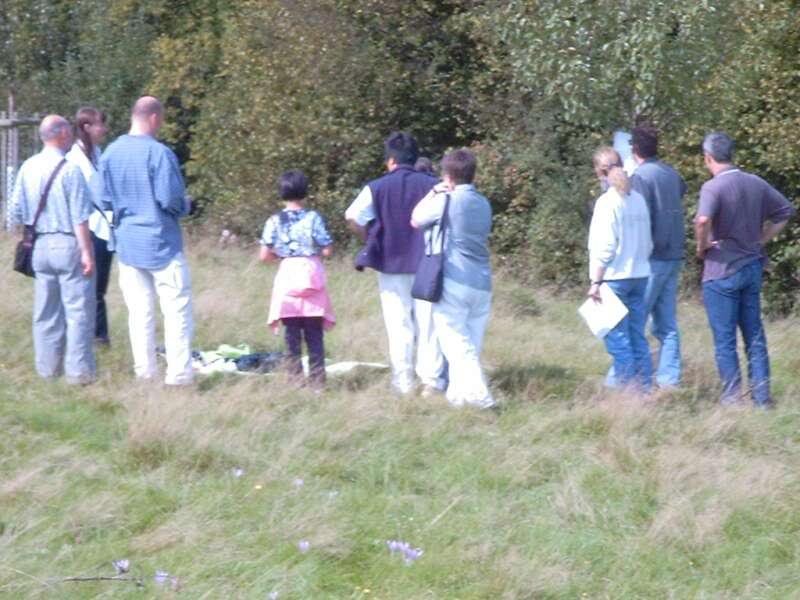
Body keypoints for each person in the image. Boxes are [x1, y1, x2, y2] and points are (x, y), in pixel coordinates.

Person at [95, 96, 194, 385]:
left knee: (139, 313)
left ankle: (145, 372)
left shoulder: (111, 152)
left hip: (128, 243)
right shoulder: (159, 154)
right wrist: (187, 205)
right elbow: (169, 199)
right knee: (176, 310)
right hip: (161, 242)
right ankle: (178, 376)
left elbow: (101, 197)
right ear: (153, 118)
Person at [695, 132, 795, 407]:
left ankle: (732, 399)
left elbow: (702, 220)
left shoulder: (712, 187)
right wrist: (761, 239)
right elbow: (785, 211)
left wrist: (702, 247)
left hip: (721, 270)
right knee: (754, 336)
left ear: (708, 158)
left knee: (725, 340)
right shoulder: (755, 182)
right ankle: (762, 398)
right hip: (751, 266)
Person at [345, 132, 445, 395]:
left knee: (398, 324)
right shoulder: (433, 185)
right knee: (428, 324)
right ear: (414, 157)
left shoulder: (376, 187)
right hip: (426, 263)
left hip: (390, 263)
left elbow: (352, 216)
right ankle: (431, 382)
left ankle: (403, 383)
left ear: (390, 160)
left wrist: (369, 237)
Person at [9, 115, 96, 383]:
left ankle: (47, 370)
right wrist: (86, 252)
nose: (71, 135)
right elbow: (79, 217)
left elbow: (15, 210)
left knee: (46, 312)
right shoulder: (70, 170)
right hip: (68, 242)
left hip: (39, 245)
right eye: (68, 130)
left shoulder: (28, 167)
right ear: (61, 134)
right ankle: (78, 372)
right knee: (78, 310)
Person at [411, 149, 495, 408]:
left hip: (454, 279)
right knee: (471, 343)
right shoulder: (484, 203)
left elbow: (416, 219)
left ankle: (481, 397)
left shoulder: (446, 199)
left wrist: (434, 191)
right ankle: (459, 398)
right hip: (482, 282)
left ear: (447, 176)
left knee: (456, 343)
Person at [260, 170, 335, 388]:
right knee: (314, 335)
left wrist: (280, 255)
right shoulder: (313, 218)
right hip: (311, 274)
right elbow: (327, 250)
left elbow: (264, 256)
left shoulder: (274, 221)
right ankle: (318, 383)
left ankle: (295, 380)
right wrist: (313, 253)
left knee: (291, 335)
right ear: (304, 191)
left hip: (288, 275)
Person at [588, 147, 653, 391]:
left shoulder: (607, 202)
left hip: (614, 278)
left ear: (599, 172)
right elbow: (648, 242)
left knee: (618, 339)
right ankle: (645, 388)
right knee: (637, 337)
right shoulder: (637, 199)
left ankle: (628, 394)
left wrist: (595, 282)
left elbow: (605, 247)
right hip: (640, 275)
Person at [629, 125, 687, 387]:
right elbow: (682, 191)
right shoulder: (671, 173)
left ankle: (633, 379)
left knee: (635, 321)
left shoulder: (641, 177)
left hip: (652, 258)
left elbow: (639, 216)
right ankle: (669, 380)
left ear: (634, 149)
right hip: (674, 254)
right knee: (667, 324)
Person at [66, 106, 113, 345]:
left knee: (99, 286)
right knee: (87, 286)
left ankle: (99, 336)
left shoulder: (97, 153)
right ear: (87, 127)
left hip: (102, 228)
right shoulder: (73, 159)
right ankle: (93, 336)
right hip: (87, 228)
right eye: (100, 124)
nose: (104, 129)